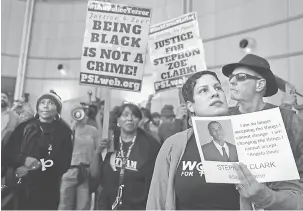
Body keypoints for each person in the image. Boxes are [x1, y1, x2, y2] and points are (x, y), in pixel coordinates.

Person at [146, 71, 303, 210]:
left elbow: (296, 200)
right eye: (203, 90)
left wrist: (265, 196)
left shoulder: (258, 135)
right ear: (190, 106)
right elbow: (157, 202)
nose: (214, 93)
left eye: (218, 87)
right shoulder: (174, 146)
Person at [222, 54, 303, 179]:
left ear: (259, 85)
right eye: (231, 77)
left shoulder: (288, 119)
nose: (232, 81)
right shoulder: (222, 118)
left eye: (240, 77)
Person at [2, 91, 73, 210]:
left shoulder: (64, 132)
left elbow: (64, 163)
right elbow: (7, 152)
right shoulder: (23, 127)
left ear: (57, 109)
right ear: (38, 107)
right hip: (20, 186)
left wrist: (40, 166)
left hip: (47, 188)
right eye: (42, 103)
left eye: (51, 103)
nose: (45, 106)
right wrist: (23, 160)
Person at [90, 103, 160, 210]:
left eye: (134, 116)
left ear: (139, 120)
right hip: (107, 205)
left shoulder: (151, 145)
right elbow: (95, 174)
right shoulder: (110, 142)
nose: (130, 119)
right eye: (125, 115)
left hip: (137, 206)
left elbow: (155, 182)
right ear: (118, 120)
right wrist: (98, 152)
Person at [58, 105, 99, 210]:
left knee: (83, 206)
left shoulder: (93, 130)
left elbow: (99, 149)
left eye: (84, 113)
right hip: (69, 171)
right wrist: (71, 129)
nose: (82, 116)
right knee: (64, 205)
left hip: (85, 171)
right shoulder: (68, 130)